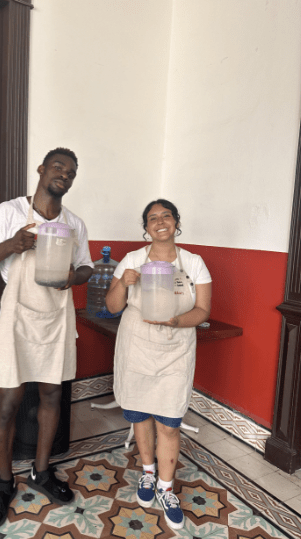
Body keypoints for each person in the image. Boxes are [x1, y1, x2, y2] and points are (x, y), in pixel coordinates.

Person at [0, 148, 93, 528]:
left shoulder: (74, 223)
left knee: (52, 394)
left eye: (71, 173)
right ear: (41, 170)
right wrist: (12, 245)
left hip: (56, 316)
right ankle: (5, 482)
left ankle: (41, 472)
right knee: (9, 399)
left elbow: (86, 265)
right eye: (58, 167)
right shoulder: (9, 212)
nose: (64, 176)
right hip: (18, 316)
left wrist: (75, 276)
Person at [105, 199, 211, 530]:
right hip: (136, 347)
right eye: (153, 218)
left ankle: (166, 488)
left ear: (176, 222)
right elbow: (111, 307)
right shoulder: (132, 260)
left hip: (176, 350)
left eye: (166, 216)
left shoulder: (193, 263)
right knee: (140, 413)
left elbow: (203, 311)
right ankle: (147, 474)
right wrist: (124, 281)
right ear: (146, 227)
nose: (160, 221)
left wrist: (173, 321)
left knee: (168, 422)